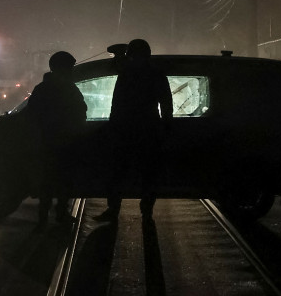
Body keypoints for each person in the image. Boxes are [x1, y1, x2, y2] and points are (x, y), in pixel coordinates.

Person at [100, 38, 172, 220]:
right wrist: (166, 128)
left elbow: (116, 104)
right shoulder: (156, 74)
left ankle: (113, 209)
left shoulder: (126, 73)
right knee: (148, 173)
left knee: (118, 171)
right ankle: (146, 210)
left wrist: (113, 127)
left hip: (125, 130)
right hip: (149, 129)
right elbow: (166, 104)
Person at [24, 51, 87, 227]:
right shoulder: (68, 89)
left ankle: (42, 219)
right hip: (63, 144)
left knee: (47, 184)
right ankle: (60, 214)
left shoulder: (41, 89)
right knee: (63, 182)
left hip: (46, 144)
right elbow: (81, 111)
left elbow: (31, 117)